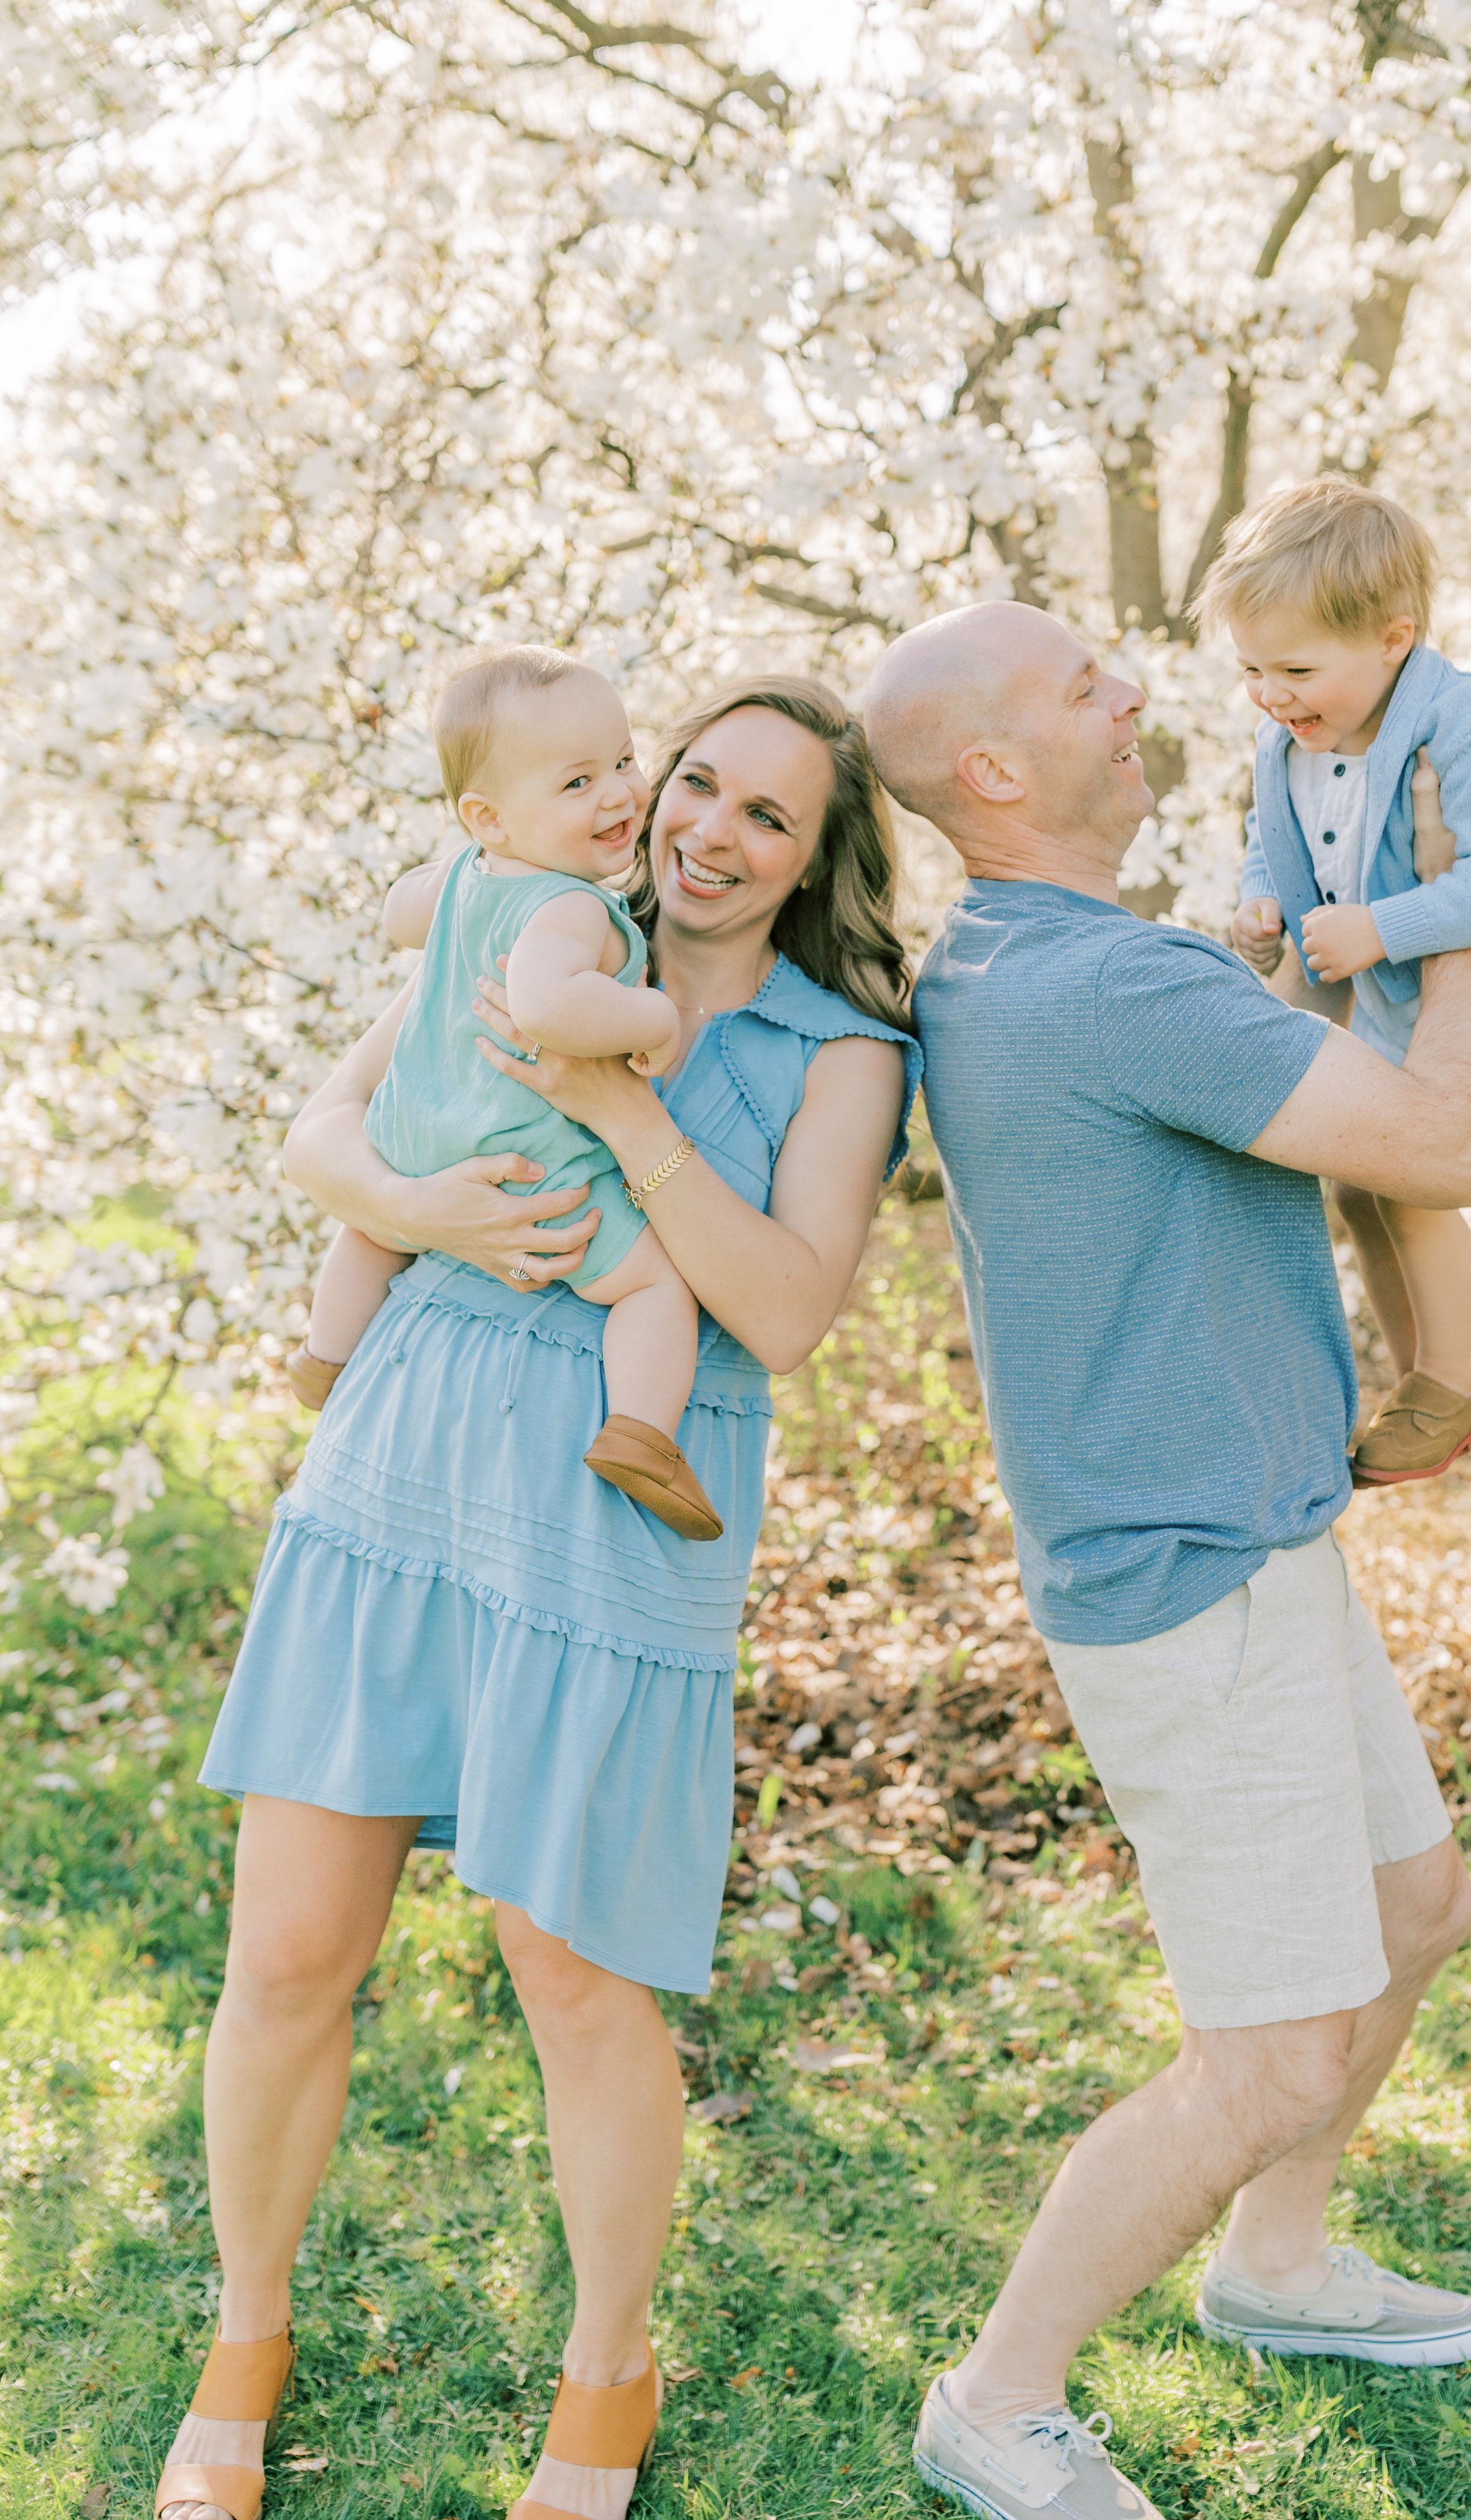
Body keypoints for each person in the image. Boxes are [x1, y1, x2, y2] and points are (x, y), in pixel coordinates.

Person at [153, 676, 921, 2520]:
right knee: (284, 1955)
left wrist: (611, 1108)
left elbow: (790, 1310)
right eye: (695, 787)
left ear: (817, 859)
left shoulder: (841, 1050)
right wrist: (426, 1208)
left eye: (767, 817)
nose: (708, 832)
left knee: (577, 1986)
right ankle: (242, 2338)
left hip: (611, 1519)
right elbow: (328, 1135)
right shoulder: (544, 913)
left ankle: (606, 2371)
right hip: (402, 1465)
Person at [865, 600, 1471, 2520]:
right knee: (1271, 2049)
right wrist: (1450, 904)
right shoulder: (1105, 986)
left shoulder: (1024, 955)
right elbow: (1452, 1140)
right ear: (990, 771)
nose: (1136, 694)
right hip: (1189, 1581)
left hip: (1252, 1532)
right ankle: (995, 2395)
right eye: (1082, 687)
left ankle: (1277, 2264)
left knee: (1409, 1906)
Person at [289, 645, 719, 1540]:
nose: (617, 795)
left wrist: (476, 858)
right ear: (488, 814)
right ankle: (643, 1433)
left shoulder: (467, 880)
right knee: (655, 1287)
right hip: (520, 1157)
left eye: (624, 762)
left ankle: (325, 1358)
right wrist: (651, 1020)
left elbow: (396, 914)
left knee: (373, 1228)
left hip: (413, 1136)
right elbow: (548, 1006)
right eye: (575, 784)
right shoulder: (570, 907)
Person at [1210, 478, 1471, 1486]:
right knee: (1358, 1182)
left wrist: (1383, 926)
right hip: (1387, 1004)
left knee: (1415, 1182)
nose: (1272, 694)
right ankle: (1420, 1372)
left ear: (1393, 637)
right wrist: (1262, 903)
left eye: (1294, 666)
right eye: (1251, 669)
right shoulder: (1290, 742)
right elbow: (1272, 841)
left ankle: (1450, 1384)